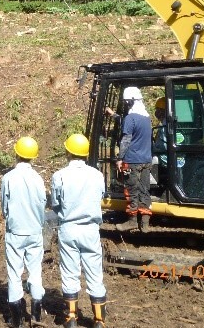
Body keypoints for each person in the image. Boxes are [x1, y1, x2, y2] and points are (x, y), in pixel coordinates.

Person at [51, 133, 108, 328]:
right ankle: (99, 320)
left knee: (69, 272)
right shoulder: (97, 175)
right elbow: (100, 197)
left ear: (68, 151)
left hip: (68, 228)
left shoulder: (59, 176)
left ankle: (71, 317)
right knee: (94, 273)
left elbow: (55, 204)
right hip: (90, 229)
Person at [0, 136, 46, 327]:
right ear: (33, 157)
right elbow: (43, 203)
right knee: (35, 271)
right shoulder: (38, 178)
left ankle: (16, 320)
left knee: (14, 273)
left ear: (17, 153)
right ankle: (36, 315)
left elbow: (4, 207)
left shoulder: (8, 178)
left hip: (15, 231)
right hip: (34, 230)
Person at [106, 86, 153, 232]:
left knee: (131, 190)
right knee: (144, 190)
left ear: (130, 102)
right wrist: (114, 115)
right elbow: (131, 124)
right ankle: (145, 223)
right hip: (146, 160)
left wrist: (120, 158)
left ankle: (132, 220)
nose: (126, 104)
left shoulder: (130, 118)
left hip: (131, 161)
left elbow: (126, 139)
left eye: (127, 102)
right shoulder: (146, 118)